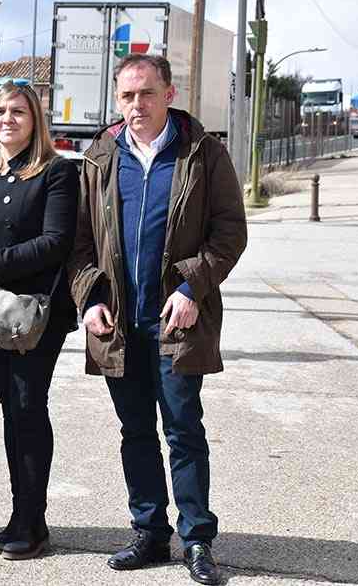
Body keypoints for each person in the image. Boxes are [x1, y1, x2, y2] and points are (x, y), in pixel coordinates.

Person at [69, 54, 247, 585]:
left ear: (169, 93)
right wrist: (89, 296)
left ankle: (196, 539)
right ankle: (148, 532)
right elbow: (79, 242)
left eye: (146, 93)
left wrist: (193, 287)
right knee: (135, 431)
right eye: (126, 96)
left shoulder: (203, 154)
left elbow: (230, 233)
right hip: (119, 323)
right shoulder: (100, 157)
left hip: (178, 321)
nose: (136, 105)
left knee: (183, 429)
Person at [0, 81, 79, 560]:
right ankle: (23, 512)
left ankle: (30, 520)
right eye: (0, 112)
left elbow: (56, 241)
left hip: (35, 315)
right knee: (12, 412)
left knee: (29, 408)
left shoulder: (55, 173)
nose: (7, 119)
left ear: (35, 122)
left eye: (19, 112)